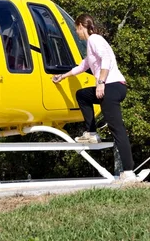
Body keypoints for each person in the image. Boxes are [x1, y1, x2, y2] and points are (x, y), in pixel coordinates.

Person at [51, 13, 137, 182]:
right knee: (82, 95)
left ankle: (128, 172)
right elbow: (83, 65)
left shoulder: (94, 39)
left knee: (117, 129)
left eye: (77, 29)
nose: (77, 33)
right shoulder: (92, 45)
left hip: (111, 86)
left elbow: (105, 59)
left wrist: (100, 82)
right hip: (113, 86)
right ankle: (91, 132)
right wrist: (63, 76)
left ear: (82, 27)